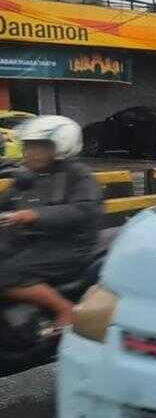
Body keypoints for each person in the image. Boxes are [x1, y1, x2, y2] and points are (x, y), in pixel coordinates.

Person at [0, 116, 100, 335]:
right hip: (34, 241)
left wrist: (34, 215)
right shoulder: (28, 177)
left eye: (39, 147)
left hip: (69, 246)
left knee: (6, 272)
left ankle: (64, 309)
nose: (31, 152)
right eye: (28, 146)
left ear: (61, 146)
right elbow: (5, 201)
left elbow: (85, 209)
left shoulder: (77, 174)